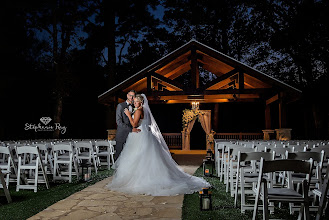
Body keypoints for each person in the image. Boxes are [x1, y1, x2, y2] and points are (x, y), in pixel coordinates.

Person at [108, 94, 210, 196]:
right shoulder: (145, 110)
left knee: (139, 157)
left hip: (140, 134)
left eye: (136, 102)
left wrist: (129, 115)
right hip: (146, 134)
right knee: (145, 157)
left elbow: (134, 124)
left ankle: (141, 180)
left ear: (141, 102)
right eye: (134, 102)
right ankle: (148, 177)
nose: (134, 103)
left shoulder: (139, 110)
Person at [114, 90, 140, 160]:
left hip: (132, 136)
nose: (131, 97)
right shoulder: (120, 106)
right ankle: (117, 171)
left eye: (133, 96)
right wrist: (131, 129)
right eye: (130, 95)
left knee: (129, 156)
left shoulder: (135, 106)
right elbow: (119, 122)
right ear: (127, 95)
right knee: (119, 156)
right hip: (122, 135)